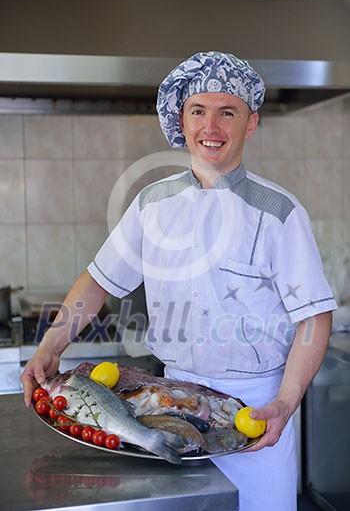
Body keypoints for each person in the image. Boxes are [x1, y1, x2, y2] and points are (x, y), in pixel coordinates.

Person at [21, 51, 336, 511]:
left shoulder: (279, 213)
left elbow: (315, 316)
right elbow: (98, 281)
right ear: (181, 122)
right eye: (198, 111)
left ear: (250, 123)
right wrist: (51, 347)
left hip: (257, 414)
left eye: (227, 112)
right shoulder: (152, 204)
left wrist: (286, 403)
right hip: (164, 400)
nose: (211, 126)